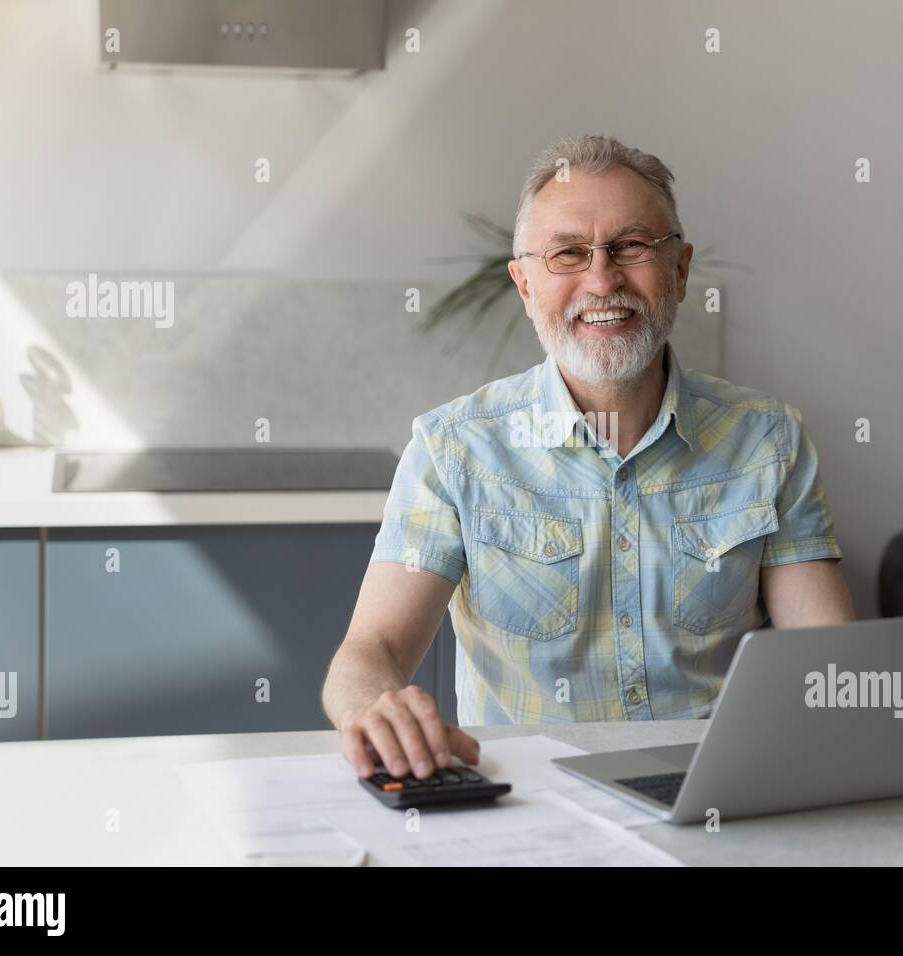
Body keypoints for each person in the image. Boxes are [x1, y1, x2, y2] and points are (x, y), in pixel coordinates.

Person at [322, 134, 855, 781]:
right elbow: (370, 651)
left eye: (631, 246)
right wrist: (374, 708)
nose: (602, 280)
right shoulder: (454, 449)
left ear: (681, 270)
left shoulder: (769, 440)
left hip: (716, 798)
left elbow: (825, 659)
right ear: (524, 283)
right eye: (568, 253)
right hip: (530, 805)